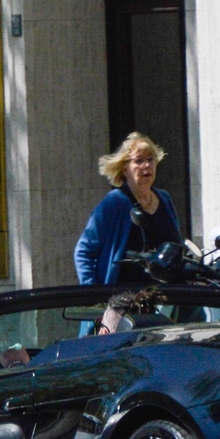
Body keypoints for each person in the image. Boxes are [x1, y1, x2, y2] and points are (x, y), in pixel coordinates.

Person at [75, 132, 183, 332]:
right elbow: (83, 251)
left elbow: (176, 248)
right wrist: (95, 298)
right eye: (139, 161)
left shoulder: (165, 199)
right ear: (125, 168)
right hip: (119, 309)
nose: (146, 166)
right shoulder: (114, 202)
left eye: (150, 159)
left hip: (160, 306)